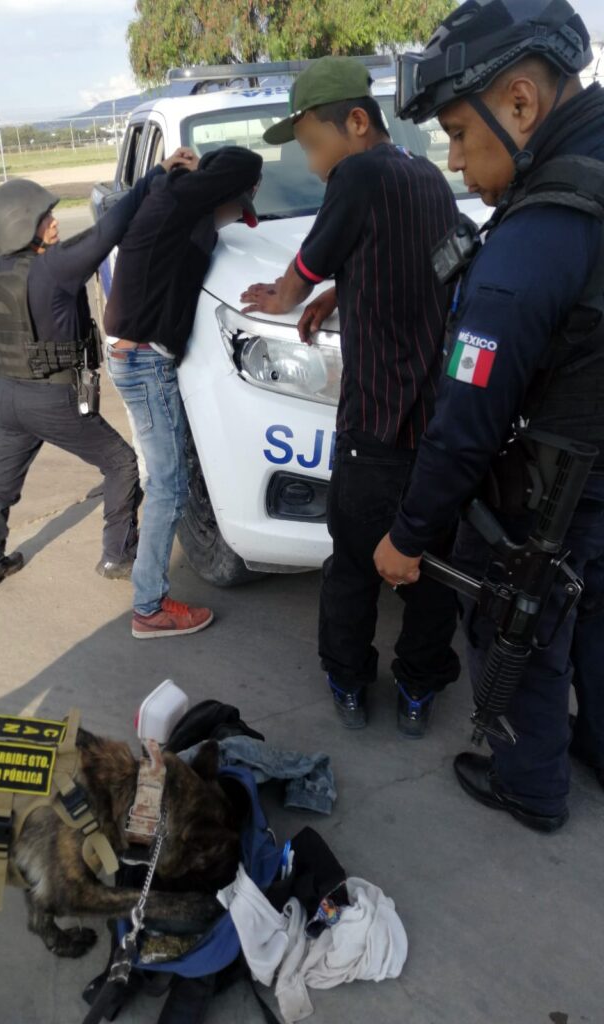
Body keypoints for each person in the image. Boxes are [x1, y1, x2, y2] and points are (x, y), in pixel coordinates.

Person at [375, 0, 604, 830]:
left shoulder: (538, 233)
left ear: (519, 104)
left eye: (458, 135)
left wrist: (409, 535)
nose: (456, 161)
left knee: (520, 632)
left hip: (553, 490)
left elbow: (467, 420)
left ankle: (530, 787)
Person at [240, 56, 461, 737]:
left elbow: (303, 269)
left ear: (357, 123)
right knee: (432, 570)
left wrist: (287, 293)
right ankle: (420, 687)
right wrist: (350, 284)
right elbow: (438, 264)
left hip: (375, 423)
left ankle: (347, 678)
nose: (312, 165)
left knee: (354, 567)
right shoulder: (427, 178)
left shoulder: (356, 174)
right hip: (438, 427)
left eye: (312, 144)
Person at [0, 149, 194, 589]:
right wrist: (156, 175)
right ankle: (118, 556)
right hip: (52, 399)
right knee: (122, 464)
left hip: (5, 397)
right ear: (20, 226)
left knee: (0, 484)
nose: (54, 221)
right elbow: (110, 229)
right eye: (45, 216)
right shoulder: (54, 267)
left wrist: (17, 353)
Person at [104, 144, 263, 639]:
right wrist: (203, 171)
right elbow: (239, 164)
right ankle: (149, 606)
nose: (232, 220)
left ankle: (145, 589)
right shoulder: (177, 205)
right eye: (237, 208)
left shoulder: (171, 206)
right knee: (169, 489)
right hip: (145, 362)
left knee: (163, 482)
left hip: (136, 357)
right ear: (222, 192)